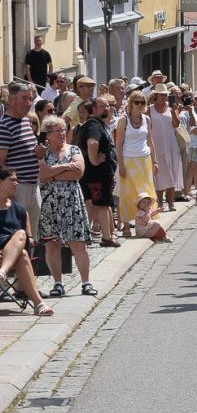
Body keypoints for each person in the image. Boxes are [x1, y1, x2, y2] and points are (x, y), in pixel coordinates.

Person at [38, 116, 97, 298]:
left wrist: (53, 174)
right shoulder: (42, 153)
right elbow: (42, 174)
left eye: (64, 130)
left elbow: (78, 172)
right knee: (52, 244)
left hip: (72, 201)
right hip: (50, 203)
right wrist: (65, 167)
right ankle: (57, 283)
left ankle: (86, 282)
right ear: (48, 135)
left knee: (78, 242)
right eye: (58, 131)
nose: (62, 134)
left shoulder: (74, 149)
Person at [0, 165, 53, 316]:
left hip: (13, 256)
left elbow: (29, 239)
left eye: (17, 180)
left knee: (21, 236)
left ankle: (2, 273)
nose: (16, 183)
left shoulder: (19, 210)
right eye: (12, 180)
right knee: (22, 253)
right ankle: (39, 303)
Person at [0, 82, 45, 236]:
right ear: (11, 100)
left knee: (32, 235)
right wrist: (7, 189)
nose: (29, 103)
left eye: (30, 99)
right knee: (17, 234)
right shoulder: (4, 125)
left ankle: (30, 261)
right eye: (24, 98)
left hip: (33, 185)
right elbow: (1, 162)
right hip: (18, 188)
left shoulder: (26, 121)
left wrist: (39, 153)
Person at [114, 91, 158, 238]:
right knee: (127, 194)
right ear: (131, 104)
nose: (140, 105)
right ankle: (126, 225)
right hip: (128, 159)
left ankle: (145, 222)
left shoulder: (147, 119)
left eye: (142, 102)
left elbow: (151, 142)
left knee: (145, 193)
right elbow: (118, 144)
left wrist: (155, 161)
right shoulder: (123, 120)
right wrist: (120, 165)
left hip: (144, 159)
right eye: (136, 102)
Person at [76, 96, 119, 248]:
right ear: (93, 109)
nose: (106, 109)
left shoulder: (96, 124)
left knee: (94, 205)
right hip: (97, 174)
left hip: (98, 174)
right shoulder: (94, 124)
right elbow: (92, 142)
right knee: (101, 205)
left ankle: (85, 236)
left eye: (108, 106)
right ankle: (106, 238)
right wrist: (94, 160)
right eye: (102, 106)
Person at [148, 84, 183, 211]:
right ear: (156, 96)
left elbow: (176, 124)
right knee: (159, 173)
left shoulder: (172, 108)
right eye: (161, 95)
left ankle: (171, 202)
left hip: (171, 143)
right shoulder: (149, 109)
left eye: (165, 95)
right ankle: (160, 202)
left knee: (172, 171)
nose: (164, 97)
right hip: (156, 144)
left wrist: (174, 111)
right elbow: (148, 127)